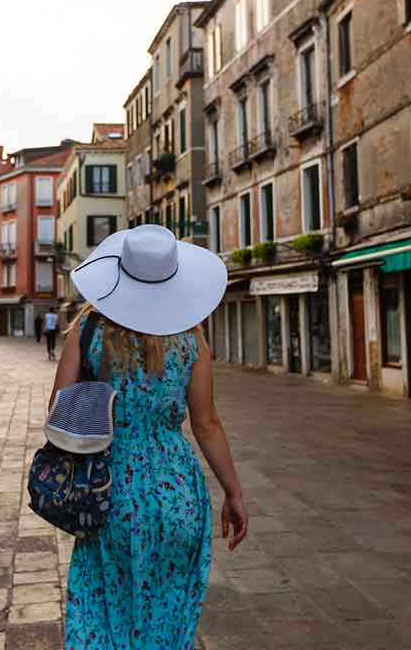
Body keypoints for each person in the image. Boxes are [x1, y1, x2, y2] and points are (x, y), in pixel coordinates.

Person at [50, 224, 247, 648]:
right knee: (167, 612)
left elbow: (59, 413)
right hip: (178, 496)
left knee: (105, 609)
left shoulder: (87, 334)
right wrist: (234, 493)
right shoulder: (192, 340)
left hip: (108, 492)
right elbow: (206, 424)